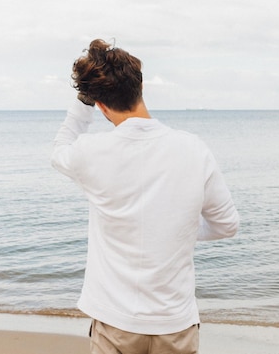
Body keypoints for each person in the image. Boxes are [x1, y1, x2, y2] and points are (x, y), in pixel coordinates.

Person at [51, 39, 239, 354]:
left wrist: (82, 104)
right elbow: (226, 225)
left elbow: (59, 150)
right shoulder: (193, 149)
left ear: (100, 104)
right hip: (174, 323)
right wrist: (177, 229)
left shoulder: (91, 152)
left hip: (115, 322)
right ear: (140, 89)